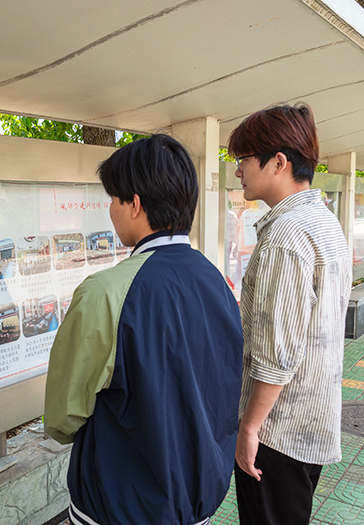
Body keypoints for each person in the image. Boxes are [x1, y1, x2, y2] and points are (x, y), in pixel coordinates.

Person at [44, 134, 244, 525]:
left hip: (117, 504)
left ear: (134, 204)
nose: (111, 209)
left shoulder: (105, 292)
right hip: (196, 502)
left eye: (114, 198)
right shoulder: (217, 281)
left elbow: (63, 416)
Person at [228, 104, 352, 525]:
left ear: (278, 162)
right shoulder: (324, 221)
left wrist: (249, 429)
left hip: (277, 431)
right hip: (311, 419)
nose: (238, 170)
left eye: (244, 159)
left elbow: (277, 355)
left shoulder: (285, 235)